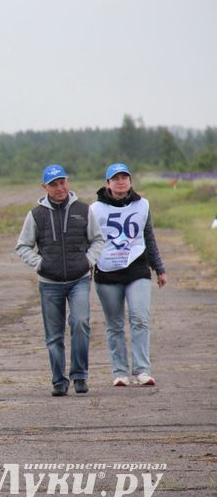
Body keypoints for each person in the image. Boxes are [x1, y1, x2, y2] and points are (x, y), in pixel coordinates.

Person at [16, 165, 105, 396]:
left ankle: (80, 376)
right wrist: (40, 264)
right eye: (53, 184)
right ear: (44, 187)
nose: (59, 188)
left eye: (62, 182)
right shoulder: (36, 214)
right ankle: (58, 380)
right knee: (54, 335)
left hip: (79, 279)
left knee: (80, 323)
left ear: (68, 182)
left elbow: (98, 240)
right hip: (49, 283)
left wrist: (88, 261)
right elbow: (23, 246)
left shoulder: (84, 210)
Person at [90, 163, 167, 387]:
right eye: (116, 178)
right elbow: (90, 241)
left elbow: (149, 238)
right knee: (114, 324)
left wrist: (159, 269)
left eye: (125, 177)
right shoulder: (95, 210)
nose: (121, 181)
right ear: (108, 184)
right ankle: (120, 371)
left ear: (130, 181)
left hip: (137, 268)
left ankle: (142, 370)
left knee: (139, 318)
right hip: (107, 271)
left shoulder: (142, 205)